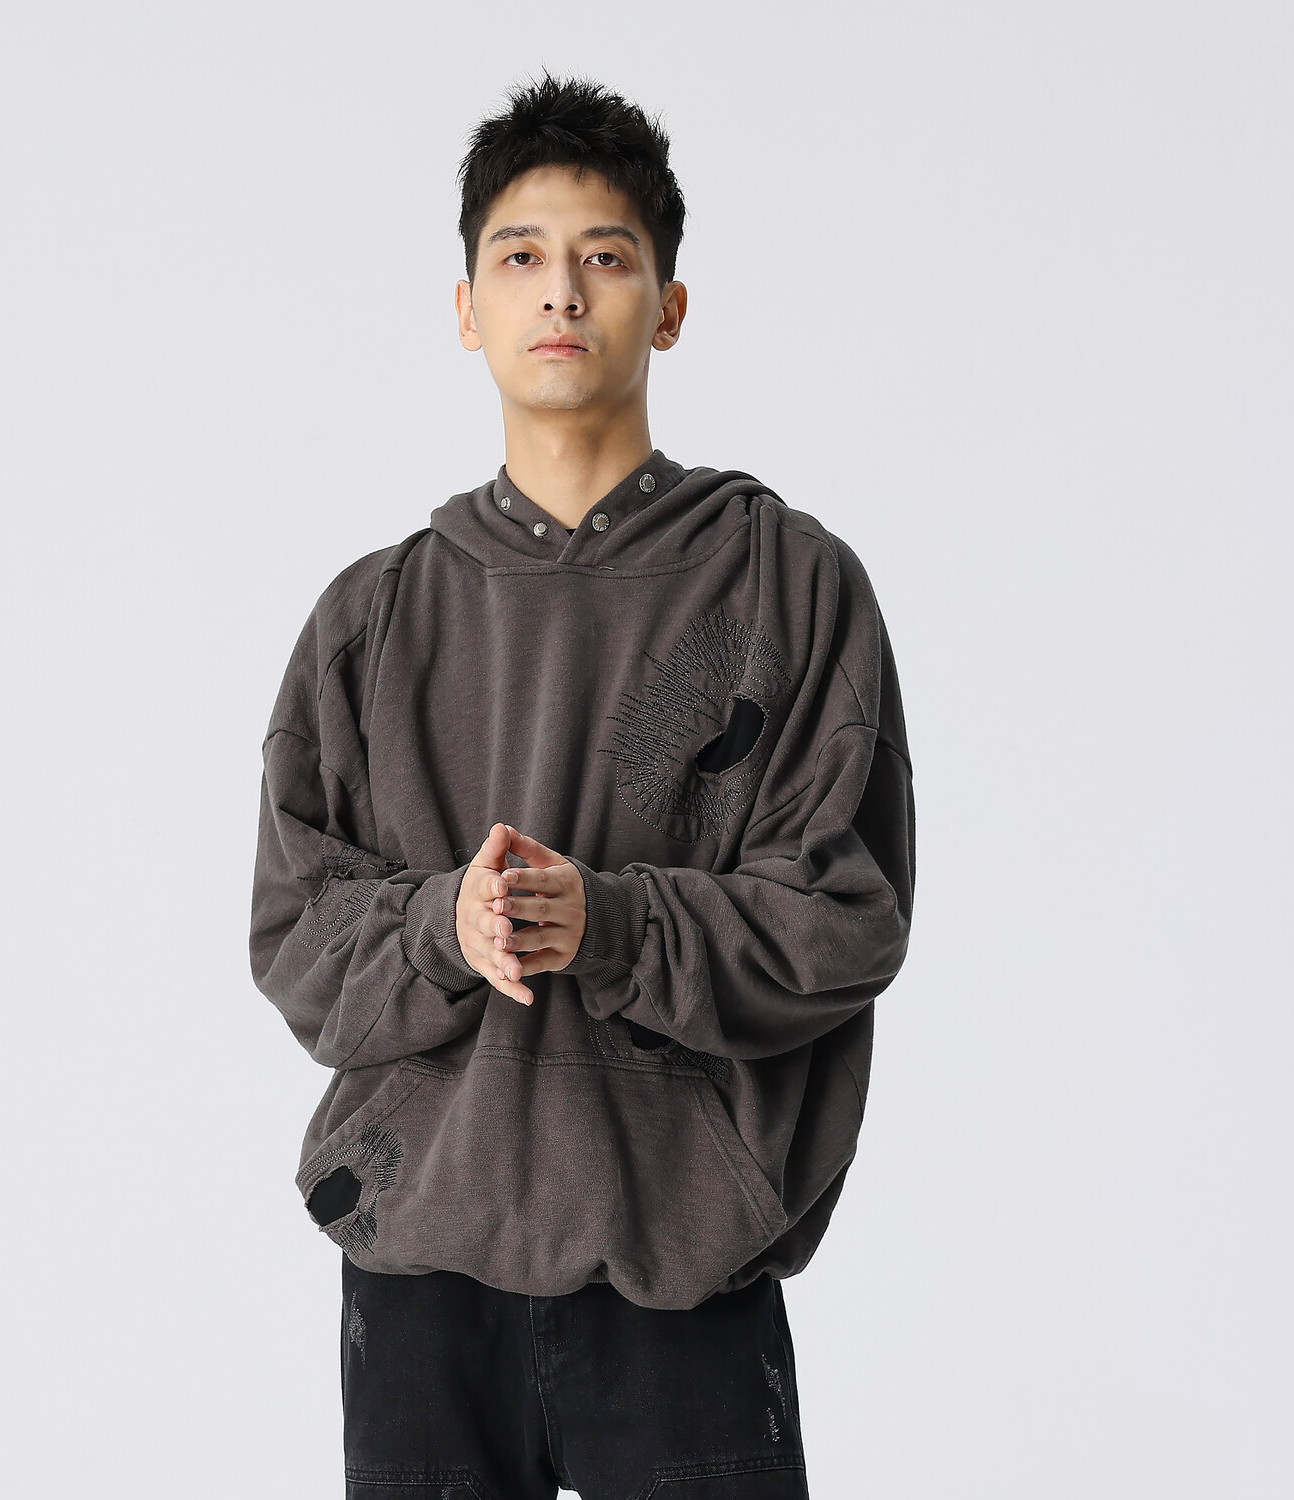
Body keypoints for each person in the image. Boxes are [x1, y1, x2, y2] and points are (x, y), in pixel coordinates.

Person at [249, 69, 916, 1500]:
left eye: (605, 257)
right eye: (521, 258)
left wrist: (612, 923)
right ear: (467, 307)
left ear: (667, 305)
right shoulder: (373, 621)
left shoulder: (788, 585)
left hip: (682, 1259)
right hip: (419, 1267)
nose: (562, 291)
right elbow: (295, 938)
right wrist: (442, 927)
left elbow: (845, 915)